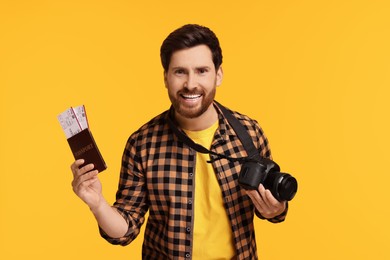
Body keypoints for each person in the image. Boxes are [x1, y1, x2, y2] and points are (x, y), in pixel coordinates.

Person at [71, 24, 288, 259]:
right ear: (166, 77)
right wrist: (97, 204)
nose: (190, 83)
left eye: (202, 70)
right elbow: (125, 229)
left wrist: (277, 208)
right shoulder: (143, 143)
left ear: (219, 75)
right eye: (180, 72)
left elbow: (274, 207)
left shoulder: (250, 132)